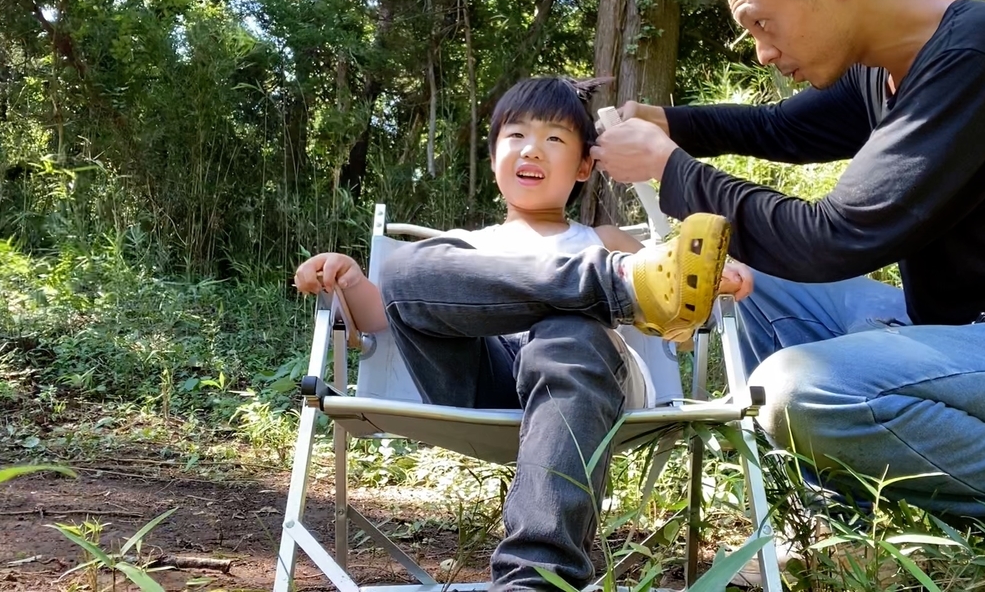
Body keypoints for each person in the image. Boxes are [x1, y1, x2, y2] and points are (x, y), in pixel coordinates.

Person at [590, 0, 985, 587]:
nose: (760, 51)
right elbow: (784, 127)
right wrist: (675, 125)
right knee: (754, 277)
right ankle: (817, 519)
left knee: (798, 388)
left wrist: (672, 170)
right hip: (974, 343)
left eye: (762, 23)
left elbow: (834, 238)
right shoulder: (885, 66)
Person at [295, 75, 752, 590]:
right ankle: (614, 287)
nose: (532, 148)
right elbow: (389, 316)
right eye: (515, 136)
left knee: (567, 330)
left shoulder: (602, 238)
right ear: (494, 158)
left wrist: (713, 281)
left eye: (555, 139)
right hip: (480, 379)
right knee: (404, 271)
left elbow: (683, 318)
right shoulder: (460, 246)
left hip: (582, 377)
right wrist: (351, 280)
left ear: (584, 166)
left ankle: (534, 580)